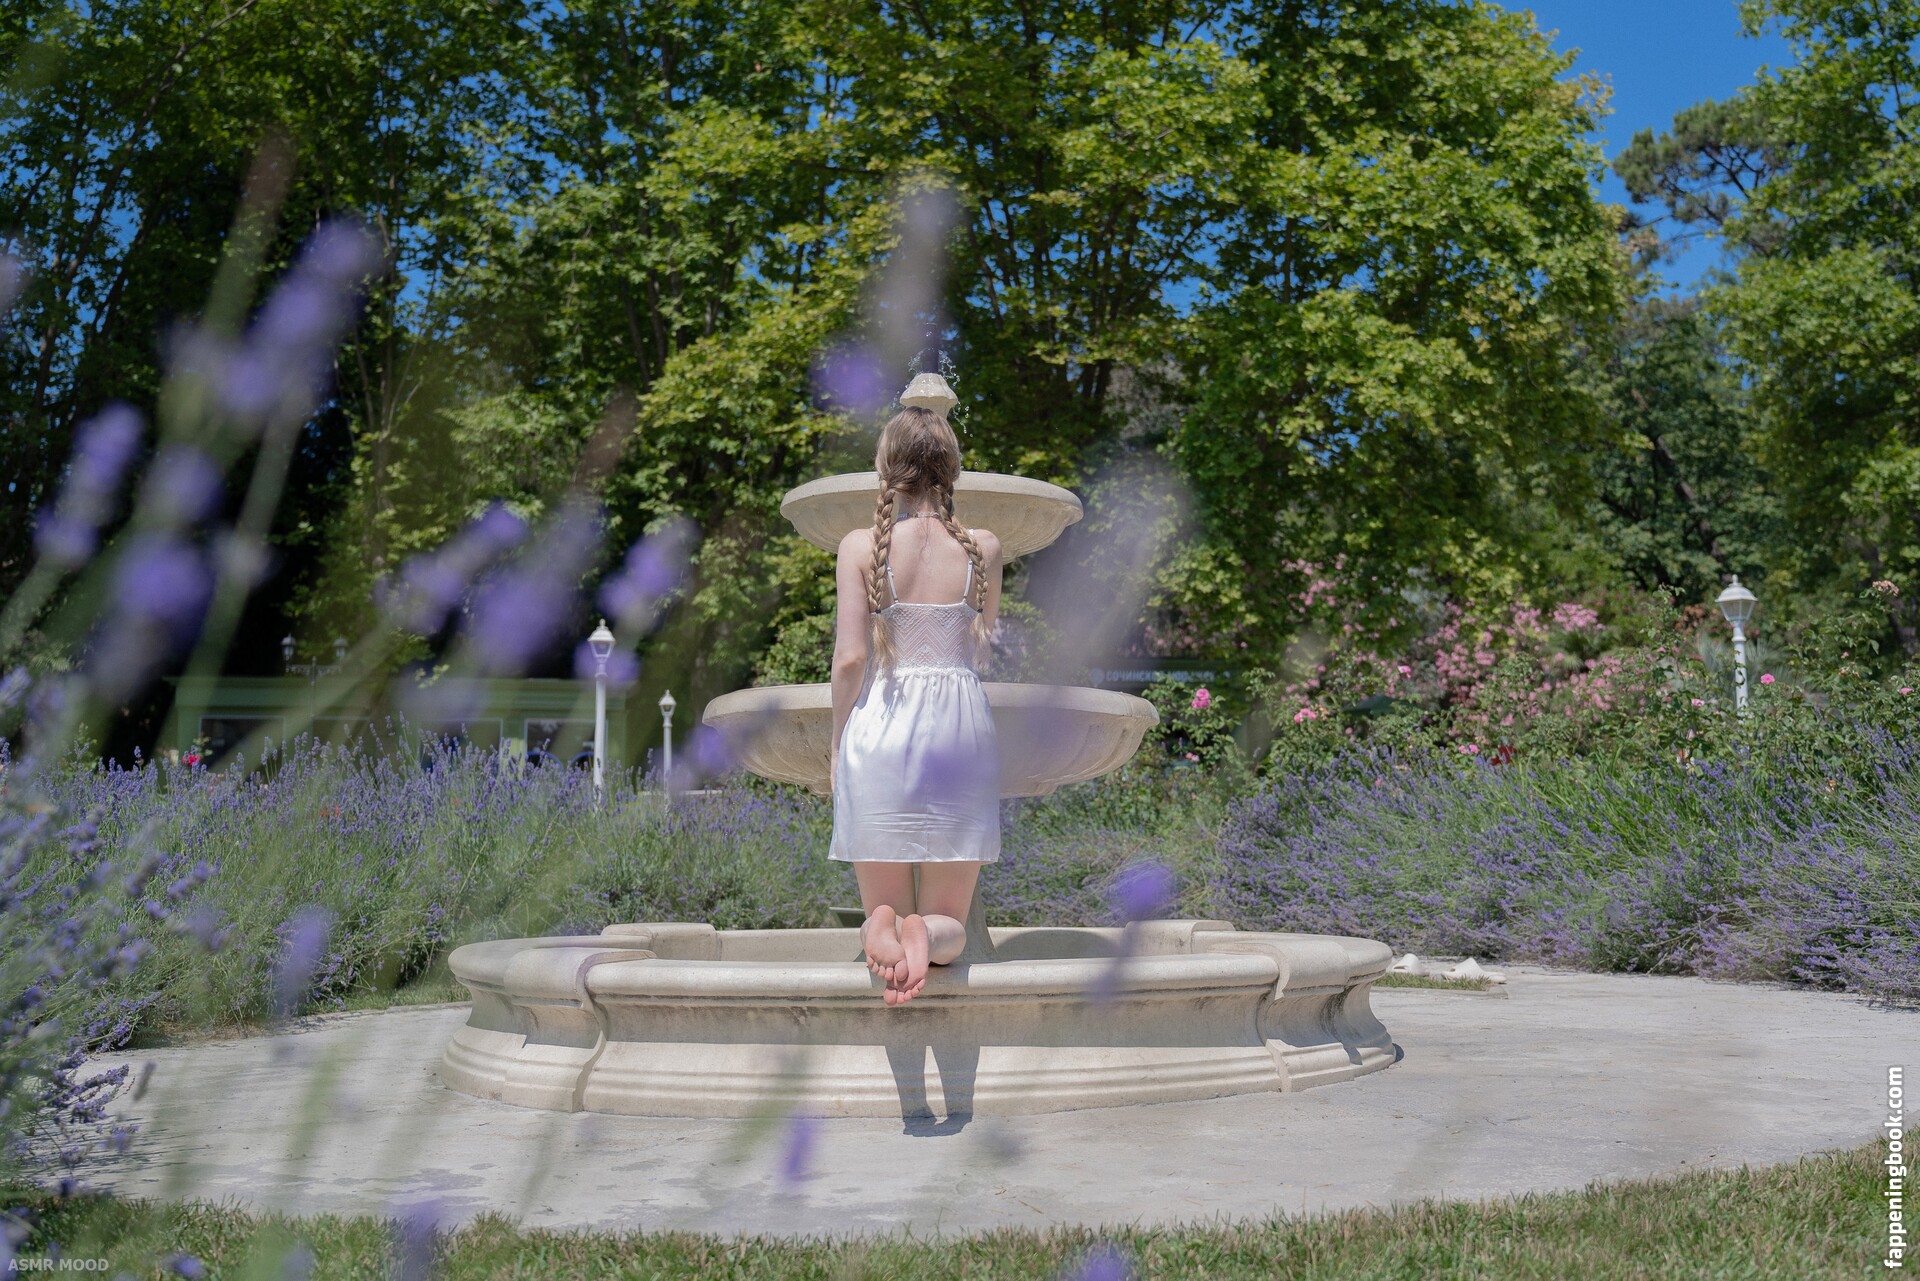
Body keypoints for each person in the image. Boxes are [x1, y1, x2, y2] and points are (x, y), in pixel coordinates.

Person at [828, 403, 1003, 1006]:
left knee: (880, 900)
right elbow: (982, 652)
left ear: (887, 468)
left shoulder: (860, 546)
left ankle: (880, 924)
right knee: (951, 920)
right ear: (951, 468)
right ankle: (928, 935)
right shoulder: (984, 548)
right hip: (960, 735)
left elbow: (850, 659)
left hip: (882, 725)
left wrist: (836, 742)